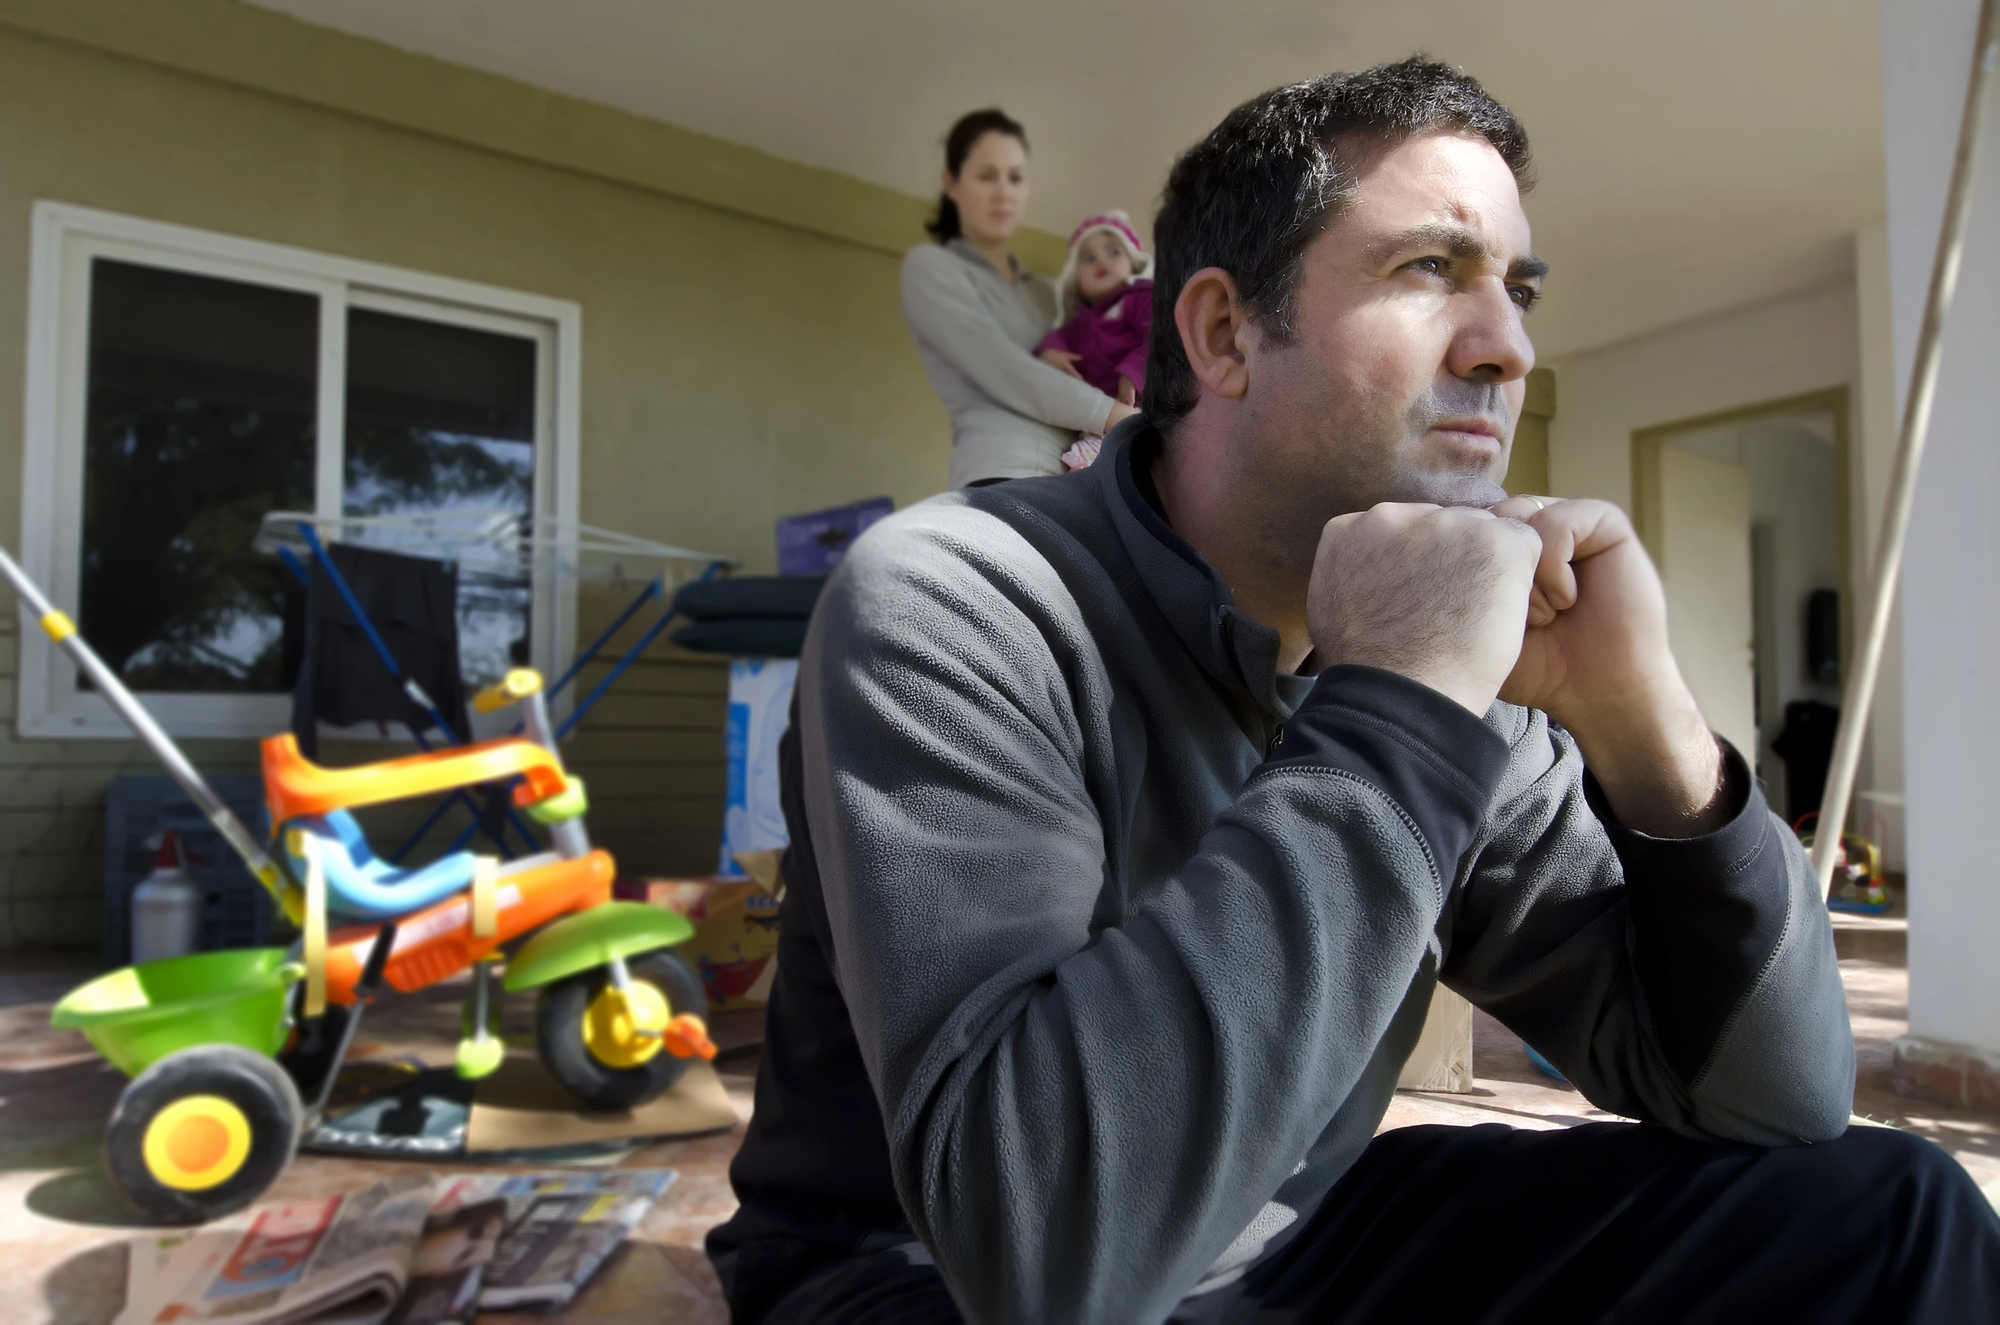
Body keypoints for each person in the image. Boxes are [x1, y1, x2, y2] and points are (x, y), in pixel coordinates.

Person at [711, 59, 2000, 1324]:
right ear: (1223, 333)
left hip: (1289, 1233)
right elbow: (1044, 1253)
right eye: (1429, 269)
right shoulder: (957, 595)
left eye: (1518, 287)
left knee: (1891, 1216)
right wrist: (1396, 695)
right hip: (928, 1271)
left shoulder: (1457, 671)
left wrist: (1646, 726)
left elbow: (1775, 1095)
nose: (1506, 350)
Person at [901, 110, 1138, 488]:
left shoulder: (1050, 293)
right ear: (951, 183)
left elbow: (1111, 341)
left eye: (1015, 177)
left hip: (1082, 480)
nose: (1003, 192)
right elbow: (1003, 367)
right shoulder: (931, 268)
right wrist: (1118, 418)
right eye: (986, 175)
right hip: (1002, 474)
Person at [1035, 211, 1155, 471]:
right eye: (1089, 258)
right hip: (1103, 412)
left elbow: (1161, 336)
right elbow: (1057, 340)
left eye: (1114, 252)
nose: (1101, 260)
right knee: (1082, 462)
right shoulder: (1082, 321)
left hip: (1146, 396)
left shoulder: (1140, 297)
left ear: (1132, 263)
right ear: (1077, 279)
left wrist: (1133, 372)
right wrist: (1051, 353)